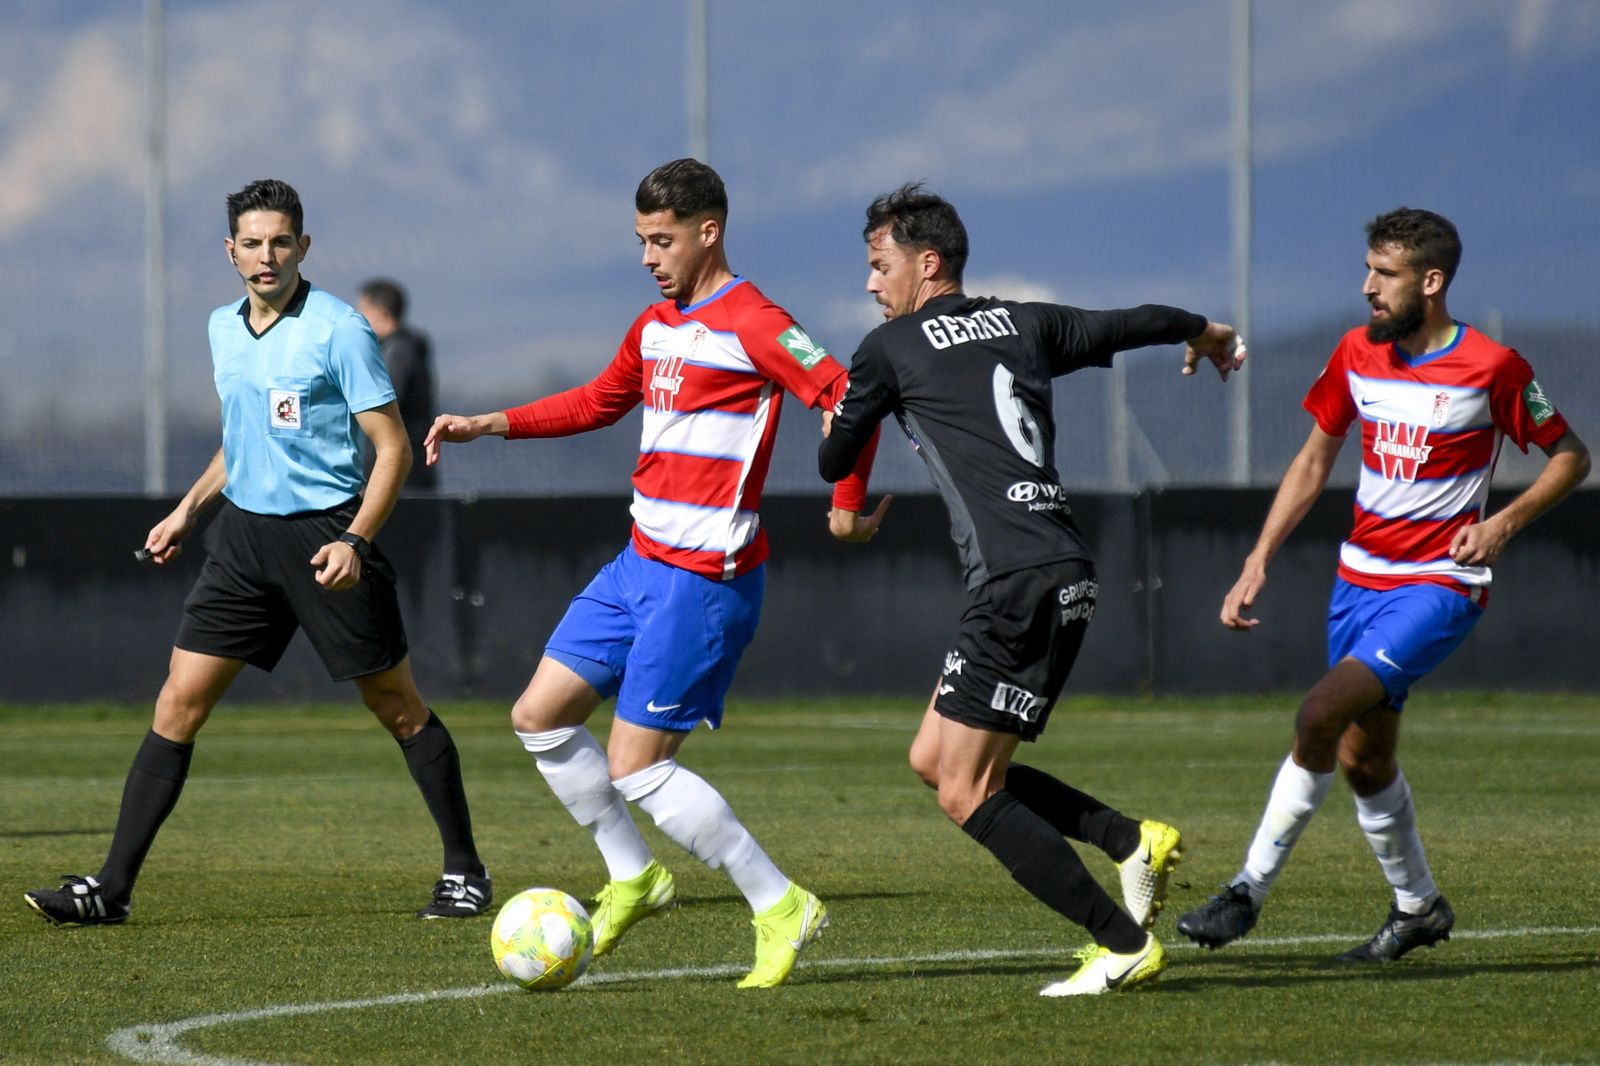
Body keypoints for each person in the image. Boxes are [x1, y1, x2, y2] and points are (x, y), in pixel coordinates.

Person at [424, 158, 877, 988]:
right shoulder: (656, 325)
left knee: (636, 766)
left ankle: (780, 904)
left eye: (661, 241)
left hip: (703, 581)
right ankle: (635, 877)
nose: (647, 257)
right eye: (640, 240)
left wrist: (846, 505)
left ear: (709, 231)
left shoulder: (756, 321)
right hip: (637, 565)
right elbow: (599, 400)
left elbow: (849, 398)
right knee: (539, 716)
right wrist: (490, 423)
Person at [24, 179, 490, 927]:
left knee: (396, 706)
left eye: (280, 242)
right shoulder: (222, 327)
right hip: (242, 540)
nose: (266, 256)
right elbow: (241, 440)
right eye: (252, 243)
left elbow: (395, 450)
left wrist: (355, 539)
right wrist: (187, 511)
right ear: (230, 251)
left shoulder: (341, 330)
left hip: (328, 535)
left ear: (303, 247)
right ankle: (110, 890)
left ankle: (466, 871)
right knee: (177, 702)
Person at [818, 183, 1245, 997]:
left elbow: (834, 461)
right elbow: (1136, 321)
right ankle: (1128, 840)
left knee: (965, 790)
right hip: (1060, 569)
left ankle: (1121, 944)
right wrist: (1206, 331)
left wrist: (838, 428)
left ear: (927, 263)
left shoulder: (889, 348)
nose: (871, 283)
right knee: (931, 759)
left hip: (1014, 584)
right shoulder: (1024, 322)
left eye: (879, 265)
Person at [1176, 207, 1590, 962]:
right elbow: (1313, 460)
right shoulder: (1356, 351)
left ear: (1430, 282)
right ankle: (1419, 908)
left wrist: (1502, 524)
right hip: (1356, 583)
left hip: (1439, 585)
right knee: (1364, 761)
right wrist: (1258, 558)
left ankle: (1245, 893)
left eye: (1385, 274)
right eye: (1367, 269)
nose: (1368, 287)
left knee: (1318, 715)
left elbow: (1570, 456)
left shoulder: (1493, 367)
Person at [357, 278, 438, 491]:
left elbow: (382, 404)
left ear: (380, 313)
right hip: (407, 470)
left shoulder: (398, 352)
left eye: (363, 311)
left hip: (401, 476)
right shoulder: (401, 348)